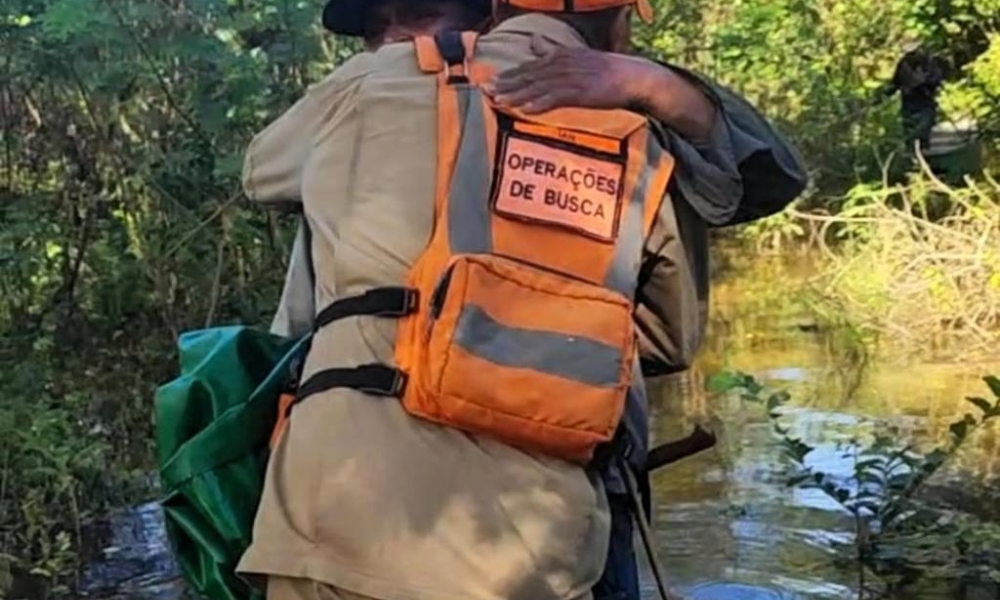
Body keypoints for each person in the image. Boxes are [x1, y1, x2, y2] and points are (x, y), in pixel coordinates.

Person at [243, 3, 807, 600]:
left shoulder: (360, 87)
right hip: (537, 549)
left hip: (330, 523)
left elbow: (260, 175)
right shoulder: (637, 131)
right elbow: (669, 339)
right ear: (623, 25)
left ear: (489, 11)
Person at [884, 43, 947, 150]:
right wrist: (886, 93)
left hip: (925, 99)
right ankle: (911, 151)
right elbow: (896, 82)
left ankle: (924, 149)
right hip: (909, 100)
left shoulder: (929, 62)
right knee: (909, 126)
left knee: (924, 126)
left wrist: (924, 83)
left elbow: (937, 78)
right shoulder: (904, 63)